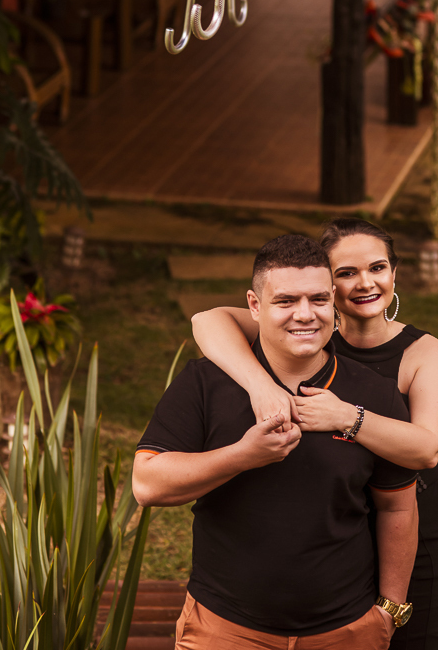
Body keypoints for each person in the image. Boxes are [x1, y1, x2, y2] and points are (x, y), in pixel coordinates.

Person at [192, 218, 438, 650]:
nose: (365, 283)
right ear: (327, 282)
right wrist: (261, 385)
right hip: (342, 531)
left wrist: (347, 416)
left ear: (394, 274)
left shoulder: (422, 352)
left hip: (421, 524)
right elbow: (206, 321)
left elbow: (428, 449)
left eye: (377, 268)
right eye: (346, 273)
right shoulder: (307, 333)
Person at [134, 233, 419, 649]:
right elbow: (147, 484)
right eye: (285, 301)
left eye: (318, 300)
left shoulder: (373, 394)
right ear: (254, 305)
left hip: (346, 631)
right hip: (224, 628)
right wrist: (243, 455)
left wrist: (388, 613)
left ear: (334, 303)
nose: (305, 315)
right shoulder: (206, 381)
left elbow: (397, 505)